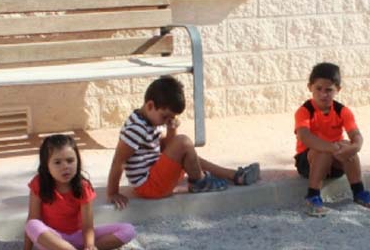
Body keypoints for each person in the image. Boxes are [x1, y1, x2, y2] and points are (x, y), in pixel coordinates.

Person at [107, 76, 260, 208]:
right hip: (149, 186)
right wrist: (113, 193)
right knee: (184, 143)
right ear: (150, 106)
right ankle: (199, 181)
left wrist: (171, 130)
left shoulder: (148, 121)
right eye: (165, 117)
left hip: (155, 177)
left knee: (189, 153)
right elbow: (118, 161)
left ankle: (234, 176)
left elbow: (165, 148)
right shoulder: (136, 128)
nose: (166, 121)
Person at [9, 134, 136, 250]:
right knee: (32, 224)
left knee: (128, 230)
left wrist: (90, 245)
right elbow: (33, 218)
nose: (65, 167)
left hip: (78, 236)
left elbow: (88, 225)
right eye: (57, 162)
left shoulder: (83, 186)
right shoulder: (38, 183)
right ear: (46, 165)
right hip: (51, 240)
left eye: (70, 161)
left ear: (77, 161)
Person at [294, 62, 370, 216]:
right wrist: (331, 147)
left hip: (336, 158)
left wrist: (356, 146)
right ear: (310, 87)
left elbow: (355, 134)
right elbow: (304, 137)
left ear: (337, 90)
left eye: (329, 90)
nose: (323, 94)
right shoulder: (304, 111)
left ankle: (359, 192)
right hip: (308, 161)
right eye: (318, 89)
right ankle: (313, 195)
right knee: (323, 151)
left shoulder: (342, 111)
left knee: (347, 146)